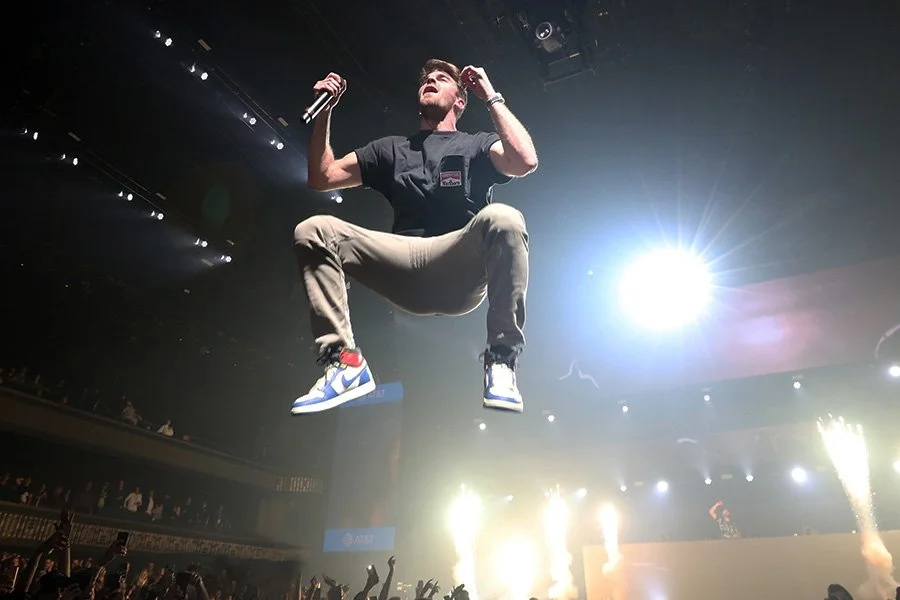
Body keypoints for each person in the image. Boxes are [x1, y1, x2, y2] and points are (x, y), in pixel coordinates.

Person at [291, 59, 538, 415]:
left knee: (505, 217)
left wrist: (491, 96)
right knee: (313, 230)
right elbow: (322, 177)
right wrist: (324, 114)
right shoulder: (392, 149)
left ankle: (501, 360)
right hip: (404, 263)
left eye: (442, 79)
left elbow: (524, 161)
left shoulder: (477, 145)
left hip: (457, 262)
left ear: (460, 101)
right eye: (426, 80)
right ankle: (343, 364)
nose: (431, 82)